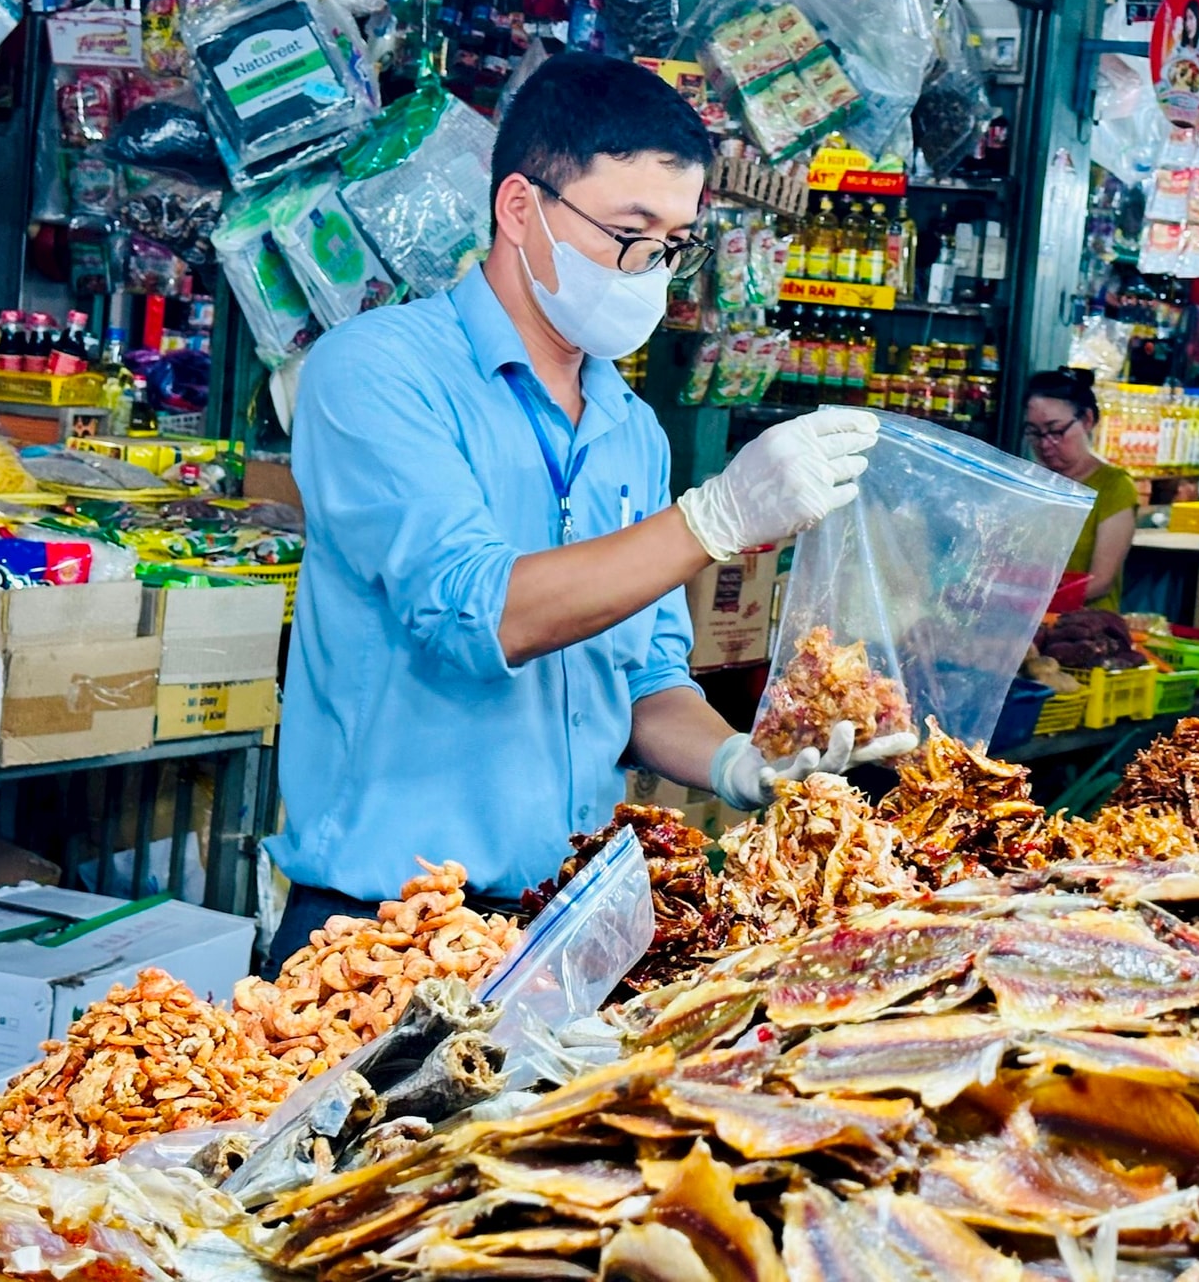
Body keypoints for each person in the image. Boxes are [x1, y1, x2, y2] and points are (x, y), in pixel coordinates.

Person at [268, 54, 880, 963]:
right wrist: (711, 522)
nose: (652, 271)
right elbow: (480, 614)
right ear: (521, 209)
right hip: (380, 935)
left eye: (675, 243)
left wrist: (736, 764)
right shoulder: (375, 372)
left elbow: (642, 681)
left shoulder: (633, 431)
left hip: (560, 926)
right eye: (629, 232)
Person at [1024, 369, 1138, 610]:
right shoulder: (1030, 483)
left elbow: (1101, 581)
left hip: (1084, 628)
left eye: (1056, 431)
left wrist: (1027, 603)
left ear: (1087, 420)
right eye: (1034, 433)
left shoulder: (1114, 487)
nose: (1045, 444)